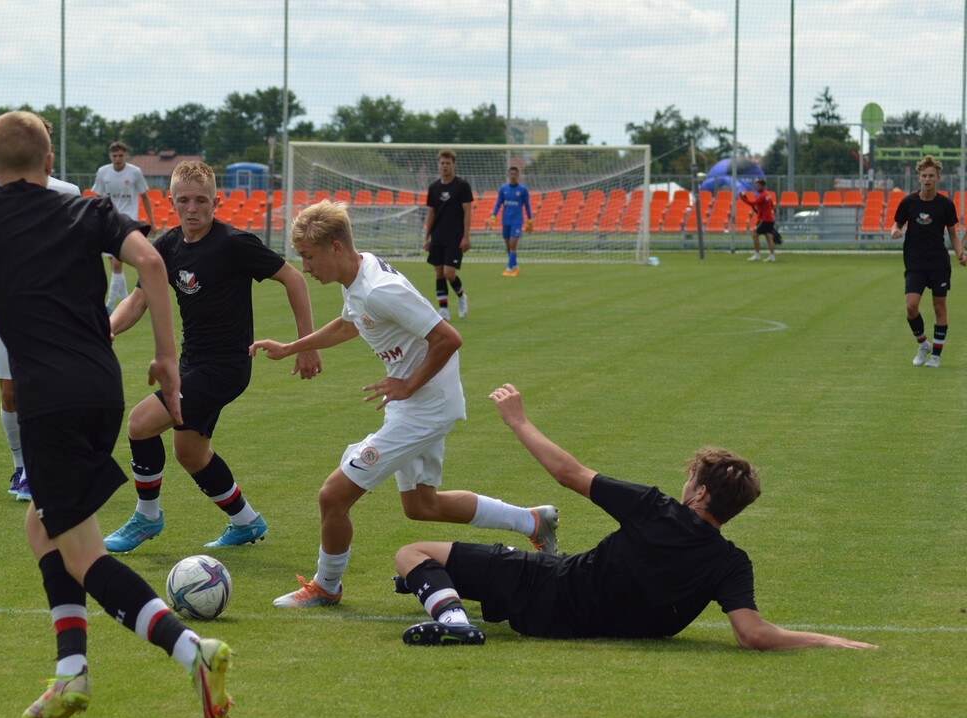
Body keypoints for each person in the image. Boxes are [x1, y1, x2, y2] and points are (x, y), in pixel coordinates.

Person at [0, 111, 232, 718]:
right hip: (101, 391)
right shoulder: (92, 208)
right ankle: (71, 672)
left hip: (45, 399)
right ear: (51, 166)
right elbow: (152, 266)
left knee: (80, 551)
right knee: (42, 527)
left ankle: (192, 651)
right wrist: (165, 357)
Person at [394, 383, 880, 651]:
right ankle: (441, 589)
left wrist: (517, 420)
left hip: (546, 592)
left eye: (690, 478)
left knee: (411, 553)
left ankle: (453, 618)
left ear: (701, 493)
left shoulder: (656, 509)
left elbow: (568, 473)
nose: (683, 483)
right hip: (579, 620)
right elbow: (753, 634)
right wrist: (829, 640)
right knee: (431, 572)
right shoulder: (731, 564)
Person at [249, 201, 559, 610]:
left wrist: (408, 383)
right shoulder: (358, 278)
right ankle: (532, 520)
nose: (305, 267)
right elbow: (349, 323)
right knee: (421, 505)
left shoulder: (381, 290)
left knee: (333, 496)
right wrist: (293, 346)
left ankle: (327, 587)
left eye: (308, 256)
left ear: (336, 248)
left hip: (424, 407)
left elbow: (448, 338)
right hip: (419, 404)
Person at [102, 160, 321, 552]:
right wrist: (107, 330)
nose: (192, 208)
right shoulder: (167, 246)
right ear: (170, 202)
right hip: (191, 365)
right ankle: (246, 521)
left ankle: (147, 518)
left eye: (201, 200)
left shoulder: (234, 243)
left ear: (216, 202)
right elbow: (137, 302)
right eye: (183, 200)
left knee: (139, 423)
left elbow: (294, 277)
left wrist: (306, 344)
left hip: (226, 366)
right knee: (191, 453)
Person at [0, 118, 79, 502]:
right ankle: (21, 465)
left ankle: (42, 466)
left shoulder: (68, 192)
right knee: (10, 391)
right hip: (3, 308)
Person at [890, 155, 966, 368]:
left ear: (938, 178)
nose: (927, 179)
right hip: (915, 263)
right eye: (924, 175)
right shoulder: (908, 202)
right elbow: (896, 225)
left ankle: (936, 356)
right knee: (911, 307)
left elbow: (952, 234)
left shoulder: (946, 205)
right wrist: (895, 231)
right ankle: (923, 345)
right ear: (918, 177)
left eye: (931, 175)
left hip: (938, 264)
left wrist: (960, 253)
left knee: (939, 307)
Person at [92, 141, 156, 313]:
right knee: (114, 264)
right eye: (115, 156)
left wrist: (152, 221)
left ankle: (109, 306)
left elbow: (145, 197)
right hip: (107, 220)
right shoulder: (103, 172)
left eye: (121, 156)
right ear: (110, 156)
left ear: (125, 156)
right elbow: (97, 197)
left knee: (117, 265)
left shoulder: (135, 172)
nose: (118, 159)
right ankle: (127, 301)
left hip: (126, 223)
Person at [423, 149, 473, 319]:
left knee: (449, 273)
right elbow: (431, 213)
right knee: (438, 272)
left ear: (453, 165)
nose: (445, 166)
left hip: (455, 236)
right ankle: (443, 310)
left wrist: (466, 236)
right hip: (437, 235)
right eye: (442, 163)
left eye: (448, 163)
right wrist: (426, 237)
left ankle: (461, 297)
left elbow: (467, 212)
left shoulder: (462, 186)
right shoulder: (434, 187)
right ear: (438, 165)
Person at [487, 166, 533, 276]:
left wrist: (530, 220)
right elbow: (498, 203)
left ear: (518, 176)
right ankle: (516, 267)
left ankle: (509, 269)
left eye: (515, 174)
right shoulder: (503, 189)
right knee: (508, 246)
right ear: (508, 175)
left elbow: (527, 205)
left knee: (513, 245)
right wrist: (493, 215)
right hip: (506, 220)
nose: (513, 176)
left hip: (517, 220)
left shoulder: (522, 190)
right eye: (511, 174)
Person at [739, 178, 777, 262]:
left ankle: (757, 255)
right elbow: (771, 205)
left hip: (764, 219)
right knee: (769, 236)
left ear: (763, 186)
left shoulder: (763, 195)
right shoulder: (768, 195)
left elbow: (753, 203)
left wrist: (743, 199)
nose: (757, 187)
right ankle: (772, 256)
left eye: (758, 186)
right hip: (770, 218)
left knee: (755, 234)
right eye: (756, 186)